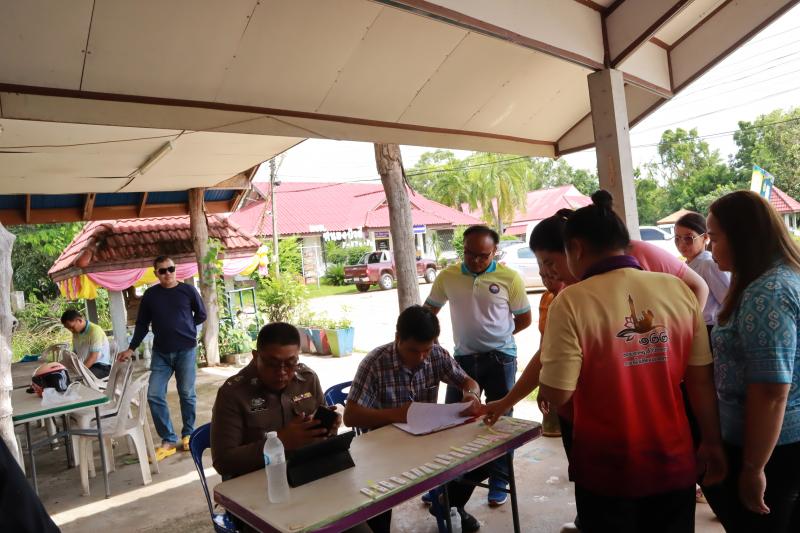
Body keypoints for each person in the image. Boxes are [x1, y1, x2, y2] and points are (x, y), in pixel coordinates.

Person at [492, 191, 726, 531]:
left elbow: (557, 393)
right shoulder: (675, 289)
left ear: (576, 249)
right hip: (673, 458)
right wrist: (712, 442)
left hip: (607, 468)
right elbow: (701, 381)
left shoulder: (570, 301)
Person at [701, 191, 800, 533]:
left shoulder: (766, 293)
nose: (710, 247)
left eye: (714, 238)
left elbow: (771, 390)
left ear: (742, 237)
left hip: (771, 448)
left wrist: (753, 467)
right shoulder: (774, 277)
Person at [344, 305, 484, 533]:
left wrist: (471, 395)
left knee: (486, 459)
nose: (421, 357)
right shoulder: (375, 363)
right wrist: (397, 414)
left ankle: (449, 502)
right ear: (397, 338)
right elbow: (351, 416)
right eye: (413, 350)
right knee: (378, 501)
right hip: (384, 450)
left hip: (428, 439)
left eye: (426, 350)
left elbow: (469, 382)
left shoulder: (436, 354)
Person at [424, 225, 532, 506]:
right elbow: (428, 312)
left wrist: (499, 336)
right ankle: (446, 482)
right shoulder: (447, 277)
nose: (475, 260)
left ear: (495, 252)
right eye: (469, 253)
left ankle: (499, 480)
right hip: (461, 361)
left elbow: (524, 319)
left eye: (483, 256)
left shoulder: (509, 277)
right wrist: (434, 345)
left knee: (500, 420)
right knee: (453, 419)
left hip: (500, 359)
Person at [211, 322, 338, 479]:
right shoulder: (233, 393)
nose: (282, 372)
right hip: (256, 482)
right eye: (272, 364)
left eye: (290, 363)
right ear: (256, 356)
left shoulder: (307, 379)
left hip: (305, 471)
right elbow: (223, 461)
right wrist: (280, 442)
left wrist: (327, 429)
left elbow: (321, 437)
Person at [118, 256, 206, 459]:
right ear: (156, 273)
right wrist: (131, 348)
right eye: (163, 271)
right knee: (154, 394)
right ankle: (168, 439)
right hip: (161, 353)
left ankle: (189, 433)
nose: (168, 273)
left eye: (171, 269)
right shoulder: (151, 295)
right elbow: (142, 324)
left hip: (186, 350)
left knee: (187, 393)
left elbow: (201, 314)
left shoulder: (188, 291)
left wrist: (187, 327)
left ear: (175, 269)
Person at [674, 212, 730, 335]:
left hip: (709, 328)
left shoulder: (708, 264)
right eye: (677, 238)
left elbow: (728, 301)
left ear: (705, 237)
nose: (681, 244)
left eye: (688, 238)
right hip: (693, 326)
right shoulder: (686, 265)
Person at [538, 269, 564, 438]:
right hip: (550, 368)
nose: (547, 281)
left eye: (552, 275)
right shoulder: (546, 297)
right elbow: (544, 342)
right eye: (542, 276)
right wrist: (542, 376)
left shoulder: (570, 299)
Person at [60, 309, 112, 379]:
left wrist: (80, 372)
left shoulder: (95, 330)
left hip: (100, 367)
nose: (71, 330)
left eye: (72, 327)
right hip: (84, 365)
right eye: (68, 328)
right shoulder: (76, 333)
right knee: (62, 375)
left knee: (78, 379)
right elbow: (75, 353)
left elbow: (93, 357)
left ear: (80, 320)